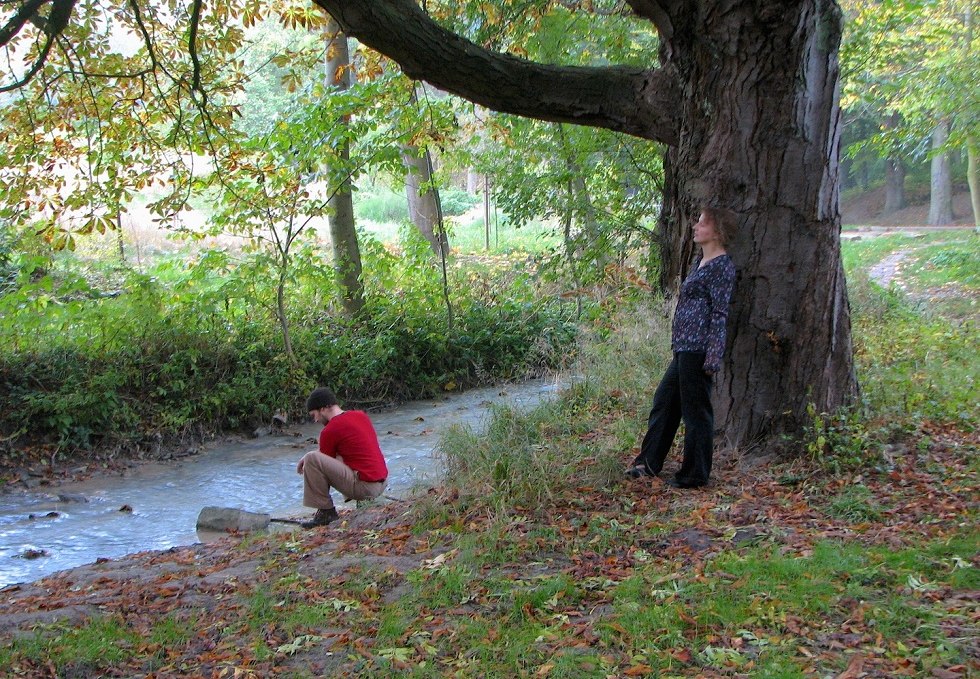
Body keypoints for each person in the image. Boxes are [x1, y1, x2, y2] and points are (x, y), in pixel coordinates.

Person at [626, 207, 737, 489]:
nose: (695, 227)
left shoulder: (722, 267)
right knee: (664, 402)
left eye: (701, 223)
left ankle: (695, 475)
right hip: (684, 347)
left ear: (717, 230)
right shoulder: (699, 261)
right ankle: (647, 463)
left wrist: (713, 356)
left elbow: (719, 314)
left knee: (696, 412)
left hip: (699, 349)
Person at [297, 387, 388, 528]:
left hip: (366, 488)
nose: (315, 420)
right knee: (341, 454)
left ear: (322, 409)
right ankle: (364, 502)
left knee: (312, 459)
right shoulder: (360, 415)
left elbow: (320, 464)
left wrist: (307, 459)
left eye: (313, 414)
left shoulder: (330, 430)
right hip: (382, 482)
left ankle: (326, 512)